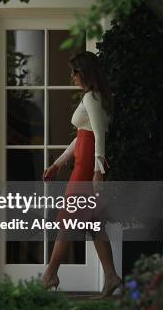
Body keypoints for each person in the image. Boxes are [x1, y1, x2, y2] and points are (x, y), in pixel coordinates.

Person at [42, 51, 122, 297]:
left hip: (87, 168)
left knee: (67, 219)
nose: (71, 77)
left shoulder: (91, 97)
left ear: (84, 72)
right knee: (93, 223)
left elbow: (99, 135)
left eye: (74, 72)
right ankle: (111, 277)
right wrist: (58, 163)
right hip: (84, 163)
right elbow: (81, 138)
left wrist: (98, 171)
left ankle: (49, 274)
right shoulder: (93, 97)